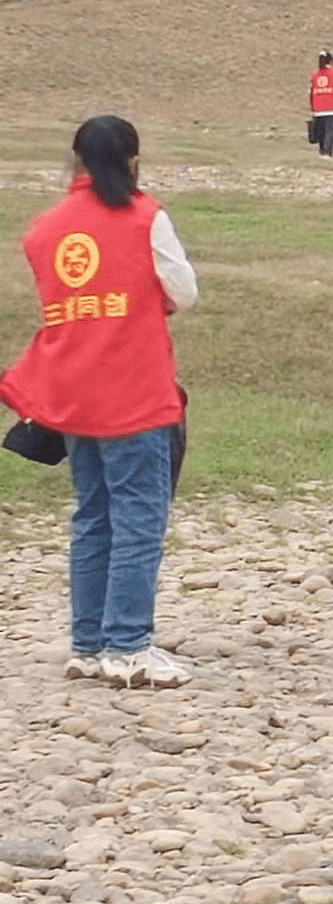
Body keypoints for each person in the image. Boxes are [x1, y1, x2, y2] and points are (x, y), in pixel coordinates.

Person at [0, 117, 198, 687]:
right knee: (139, 518)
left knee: (93, 518)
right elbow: (184, 292)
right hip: (135, 391)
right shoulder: (146, 217)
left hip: (72, 394)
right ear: (133, 160)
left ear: (76, 161)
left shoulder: (44, 230)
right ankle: (129, 645)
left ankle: (87, 644)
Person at [307, 48, 333, 158]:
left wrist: (312, 106)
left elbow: (310, 91)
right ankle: (327, 152)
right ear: (330, 61)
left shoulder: (314, 74)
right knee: (330, 131)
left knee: (321, 130)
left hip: (318, 108)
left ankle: (322, 151)